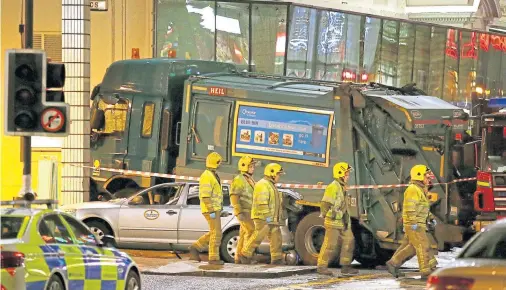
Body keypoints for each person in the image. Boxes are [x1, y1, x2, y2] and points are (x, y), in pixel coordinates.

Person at [386, 165, 438, 279]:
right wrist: (414, 224)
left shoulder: (420, 189)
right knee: (422, 245)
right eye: (426, 176)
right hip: (414, 224)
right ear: (419, 175)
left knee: (411, 247)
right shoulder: (413, 189)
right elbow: (410, 209)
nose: (428, 178)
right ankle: (425, 272)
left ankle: (392, 263)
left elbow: (423, 207)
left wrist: (430, 217)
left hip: (417, 223)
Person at [317, 162, 359, 276]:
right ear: (340, 173)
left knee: (349, 242)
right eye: (347, 173)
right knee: (330, 245)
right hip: (333, 222)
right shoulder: (333, 186)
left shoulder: (342, 187)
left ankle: (346, 266)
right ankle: (321, 267)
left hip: (343, 222)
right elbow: (325, 204)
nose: (348, 176)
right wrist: (327, 215)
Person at [239, 163, 285, 265]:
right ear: (272, 173)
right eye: (278, 174)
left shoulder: (270, 185)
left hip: (271, 218)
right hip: (263, 217)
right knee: (258, 236)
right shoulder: (263, 184)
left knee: (276, 237)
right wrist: (268, 218)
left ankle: (276, 259)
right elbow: (262, 202)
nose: (279, 177)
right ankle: (245, 254)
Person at [188, 152, 224, 265]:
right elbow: (205, 195)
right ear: (215, 162)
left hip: (215, 209)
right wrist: (212, 210)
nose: (220, 164)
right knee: (216, 233)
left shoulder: (212, 174)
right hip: (211, 210)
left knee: (215, 232)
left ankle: (195, 247)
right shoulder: (207, 176)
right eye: (219, 162)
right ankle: (213, 258)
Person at [230, 156, 257, 264]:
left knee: (243, 234)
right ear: (244, 166)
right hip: (244, 211)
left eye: (253, 166)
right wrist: (238, 212)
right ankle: (246, 256)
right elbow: (234, 196)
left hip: (249, 211)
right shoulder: (239, 179)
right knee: (251, 231)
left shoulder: (249, 179)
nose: (253, 168)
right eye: (251, 166)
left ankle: (238, 257)